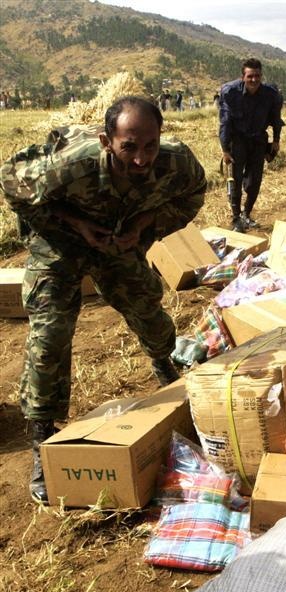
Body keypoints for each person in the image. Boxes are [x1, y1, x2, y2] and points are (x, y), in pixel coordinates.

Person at [0, 95, 207, 503]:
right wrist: (75, 223)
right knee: (51, 333)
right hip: (59, 244)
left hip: (117, 239)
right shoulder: (71, 165)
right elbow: (10, 182)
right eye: (129, 147)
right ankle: (44, 436)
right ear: (106, 141)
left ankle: (165, 367)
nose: (141, 159)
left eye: (150, 145)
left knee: (147, 305)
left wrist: (147, 224)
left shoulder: (175, 162)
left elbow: (193, 194)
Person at [219, 57, 284, 232]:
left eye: (257, 76)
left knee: (254, 182)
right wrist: (225, 149)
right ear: (243, 77)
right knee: (236, 180)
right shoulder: (230, 92)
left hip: (258, 141)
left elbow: (276, 119)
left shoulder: (271, 94)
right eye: (250, 76)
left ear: (261, 76)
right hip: (237, 141)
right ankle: (235, 219)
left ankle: (246, 214)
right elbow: (225, 122)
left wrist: (276, 140)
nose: (254, 80)